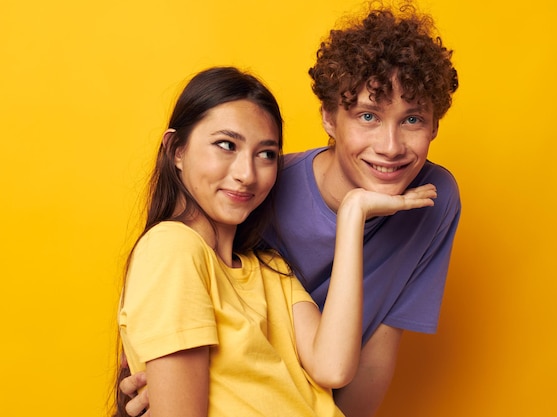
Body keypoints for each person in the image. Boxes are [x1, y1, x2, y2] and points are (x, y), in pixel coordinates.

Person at [113, 66, 439, 417]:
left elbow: (333, 368)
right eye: (226, 145)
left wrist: (352, 212)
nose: (246, 174)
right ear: (176, 150)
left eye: (266, 154)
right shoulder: (172, 248)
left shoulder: (269, 267)